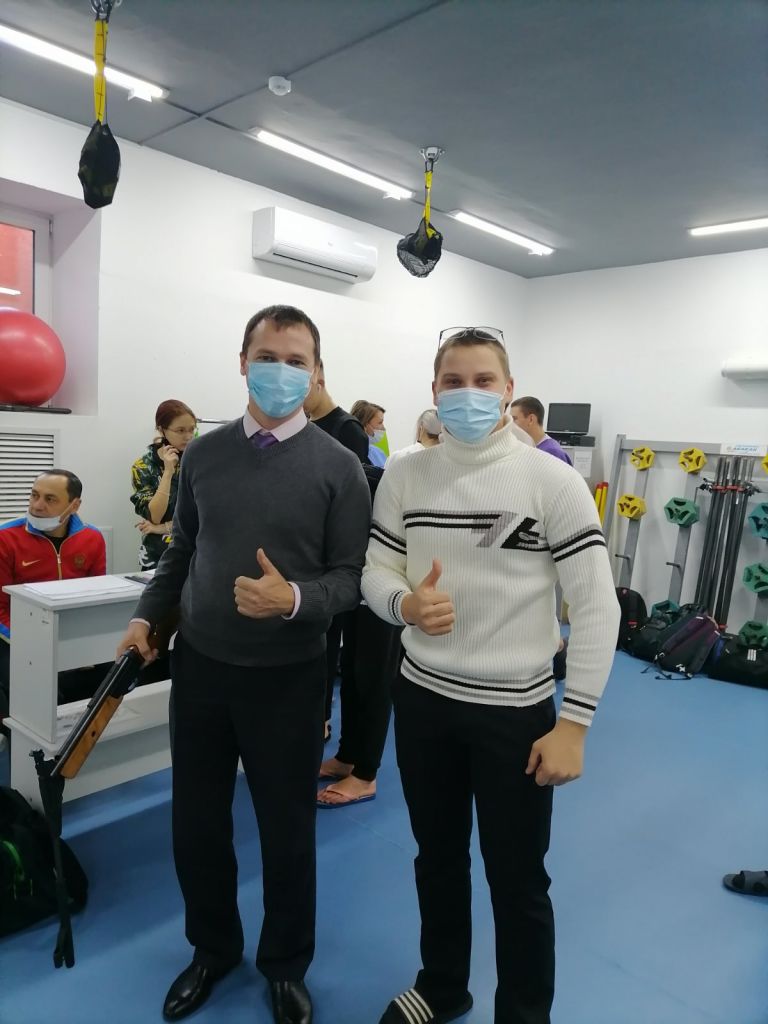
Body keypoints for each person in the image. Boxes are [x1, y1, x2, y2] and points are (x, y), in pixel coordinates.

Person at [117, 305, 370, 1024]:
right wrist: (145, 618)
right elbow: (182, 551)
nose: (280, 372)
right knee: (196, 824)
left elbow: (351, 579)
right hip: (201, 669)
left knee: (286, 830)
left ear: (316, 373)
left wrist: (294, 599)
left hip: (289, 677)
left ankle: (285, 965)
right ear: (242, 361)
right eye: (267, 356)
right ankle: (213, 949)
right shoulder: (204, 455)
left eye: (296, 361)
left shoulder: (341, 469)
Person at [361, 327, 619, 1024]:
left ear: (509, 390)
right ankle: (443, 986)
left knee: (518, 877)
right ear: (434, 389)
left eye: (483, 381)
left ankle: (524, 1013)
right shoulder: (406, 472)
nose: (468, 393)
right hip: (423, 702)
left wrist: (575, 723)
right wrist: (404, 604)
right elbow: (377, 569)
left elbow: (597, 605)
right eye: (454, 381)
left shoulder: (551, 480)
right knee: (436, 857)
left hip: (515, 714)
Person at [0, 470, 106, 722]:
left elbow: (94, 599)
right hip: (13, 636)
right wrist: (39, 645)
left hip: (69, 633)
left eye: (50, 499)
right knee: (39, 689)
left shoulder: (92, 538)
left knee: (113, 676)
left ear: (74, 505)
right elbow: (0, 609)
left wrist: (82, 647)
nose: (37, 506)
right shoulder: (6, 537)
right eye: (34, 495)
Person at [304, 360, 370, 742]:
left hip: (335, 559)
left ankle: (323, 716)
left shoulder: (347, 429)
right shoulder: (306, 426)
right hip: (308, 555)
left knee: (330, 644)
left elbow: (350, 499)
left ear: (320, 380)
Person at [131, 400, 197, 570]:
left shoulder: (198, 460)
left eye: (192, 429)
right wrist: (168, 472)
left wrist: (161, 528)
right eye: (180, 430)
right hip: (158, 554)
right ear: (162, 430)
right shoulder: (144, 466)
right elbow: (155, 516)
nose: (188, 436)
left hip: (195, 549)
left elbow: (203, 513)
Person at [509, 396, 573, 465]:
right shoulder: (532, 448)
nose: (510, 423)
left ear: (531, 419)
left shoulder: (552, 453)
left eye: (514, 419)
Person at [351, 399, 388, 467]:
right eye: (380, 422)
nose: (383, 428)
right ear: (364, 424)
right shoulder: (350, 454)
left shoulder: (378, 452)